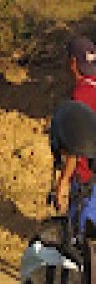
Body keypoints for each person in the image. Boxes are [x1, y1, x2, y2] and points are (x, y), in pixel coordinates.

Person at [55, 35, 96, 213]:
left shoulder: (81, 95)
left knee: (79, 233)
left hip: (87, 178)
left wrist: (63, 182)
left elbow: (77, 146)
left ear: (73, 63)